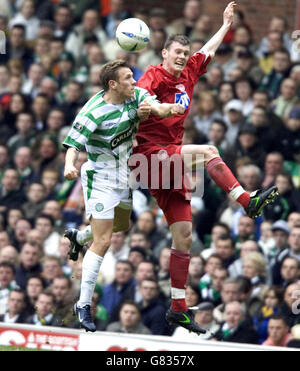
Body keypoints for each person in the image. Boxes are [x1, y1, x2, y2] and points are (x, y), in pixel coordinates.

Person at [66, 3, 279, 335]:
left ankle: (178, 308)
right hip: (149, 155)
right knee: (208, 150)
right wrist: (157, 107)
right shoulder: (152, 75)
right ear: (164, 52)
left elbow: (207, 51)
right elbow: (144, 101)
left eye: (185, 52)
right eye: (177, 51)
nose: (182, 56)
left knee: (185, 237)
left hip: (171, 158)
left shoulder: (191, 70)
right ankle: (247, 202)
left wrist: (224, 26)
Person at [62, 59, 185, 332]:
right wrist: (70, 165)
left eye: (133, 76)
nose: (134, 81)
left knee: (121, 226)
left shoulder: (136, 94)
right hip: (99, 177)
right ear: (113, 84)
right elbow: (72, 145)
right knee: (104, 240)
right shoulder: (93, 112)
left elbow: (157, 106)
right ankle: (83, 304)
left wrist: (168, 109)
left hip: (124, 173)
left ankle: (79, 236)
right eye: (128, 78)